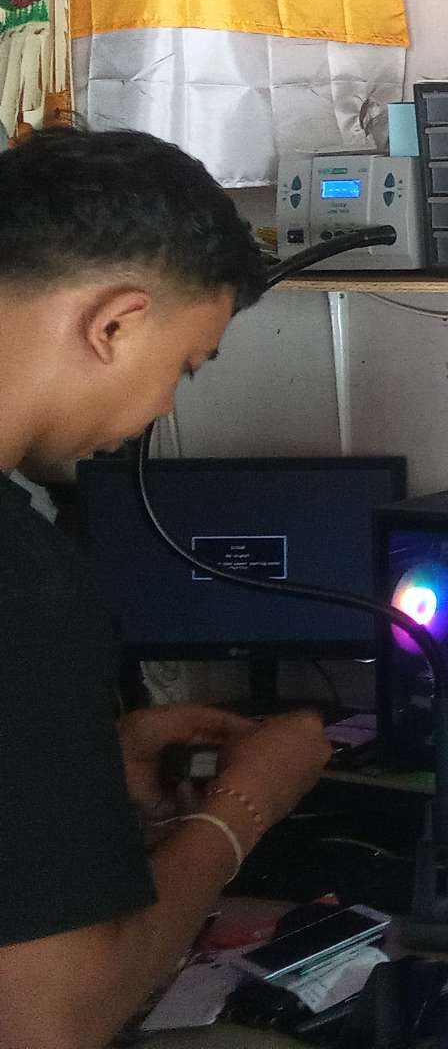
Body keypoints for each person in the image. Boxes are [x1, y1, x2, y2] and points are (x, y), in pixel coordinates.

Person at [0, 129, 333, 1048]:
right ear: (114, 324)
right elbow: (49, 1021)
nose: (163, 409)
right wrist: (241, 813)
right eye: (184, 367)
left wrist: (82, 752)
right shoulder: (21, 585)